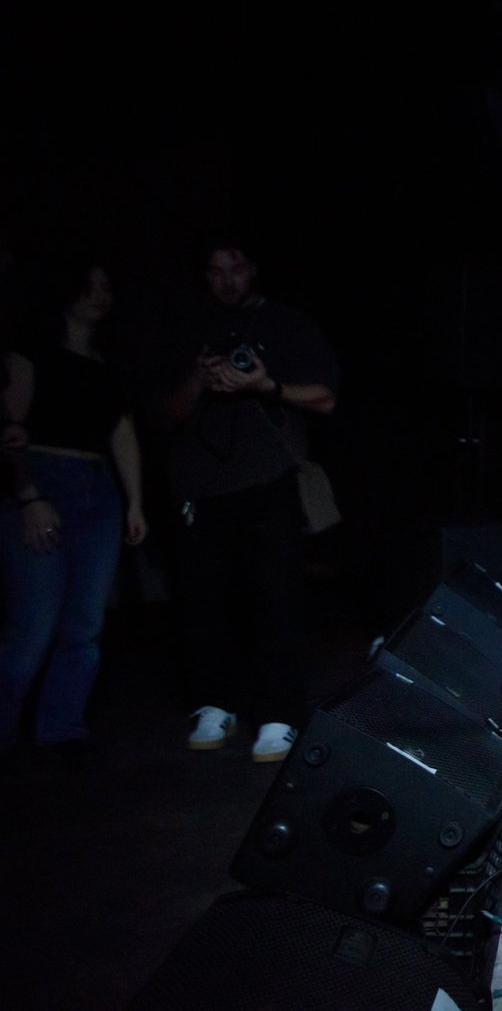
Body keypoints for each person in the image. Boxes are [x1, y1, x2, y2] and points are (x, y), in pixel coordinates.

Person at [155, 238, 338, 762]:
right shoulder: (183, 327)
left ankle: (280, 714)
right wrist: (197, 378)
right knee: (203, 603)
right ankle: (214, 703)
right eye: (215, 271)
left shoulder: (287, 322)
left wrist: (263, 384)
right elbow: (160, 415)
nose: (227, 280)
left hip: (268, 481)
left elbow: (326, 397)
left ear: (252, 269)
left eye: (235, 268)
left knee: (275, 599)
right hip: (198, 487)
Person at [0, 258, 149, 757]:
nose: (99, 295)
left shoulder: (110, 364)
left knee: (84, 624)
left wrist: (135, 504)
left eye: (106, 287)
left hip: (97, 487)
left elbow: (122, 436)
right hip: (45, 480)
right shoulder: (32, 355)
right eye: (90, 286)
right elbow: (9, 432)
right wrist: (28, 496)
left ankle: (61, 728)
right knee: (33, 624)